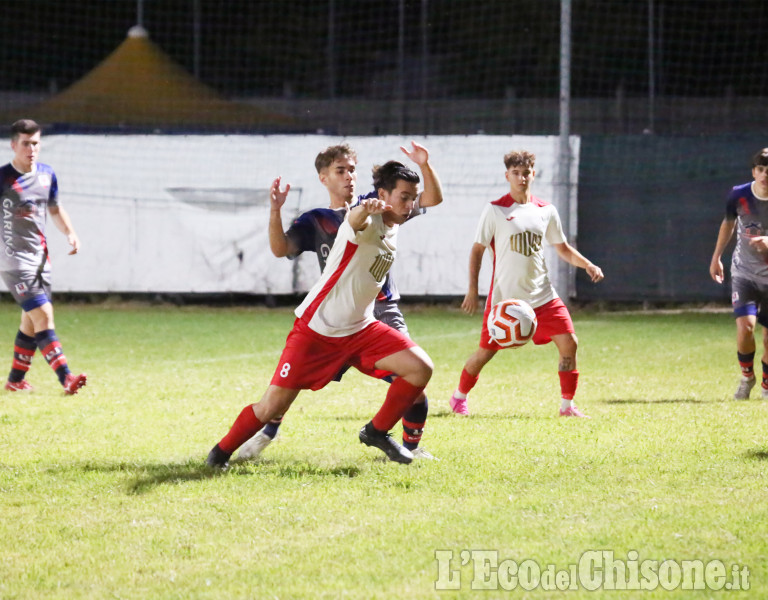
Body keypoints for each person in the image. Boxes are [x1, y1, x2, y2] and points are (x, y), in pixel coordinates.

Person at [207, 160, 434, 468]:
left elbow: (431, 200)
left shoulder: (395, 222)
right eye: (404, 197)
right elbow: (354, 221)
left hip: (361, 329)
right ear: (382, 194)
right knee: (271, 405)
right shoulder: (366, 221)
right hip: (318, 331)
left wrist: (424, 165)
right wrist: (364, 209)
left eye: (412, 198)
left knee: (420, 369)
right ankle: (220, 453)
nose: (409, 205)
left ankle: (376, 431)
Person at [449, 150, 603, 418]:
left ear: (533, 174)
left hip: (543, 296)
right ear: (507, 175)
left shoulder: (546, 210)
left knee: (570, 343)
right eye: (516, 173)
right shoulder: (496, 209)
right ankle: (459, 398)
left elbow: (563, 248)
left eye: (526, 173)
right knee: (485, 353)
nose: (521, 178)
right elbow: (477, 250)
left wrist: (587, 264)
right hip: (505, 302)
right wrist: (472, 290)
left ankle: (567, 406)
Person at [0, 119, 86, 394]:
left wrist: (70, 233)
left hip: (40, 261)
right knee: (44, 317)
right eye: (25, 144)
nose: (31, 149)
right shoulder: (3, 178)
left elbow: (55, 209)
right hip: (14, 262)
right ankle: (66, 378)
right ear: (13, 145)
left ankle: (15, 381)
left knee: (30, 321)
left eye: (35, 143)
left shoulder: (47, 174)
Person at [710, 148, 768, 399]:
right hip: (744, 272)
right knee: (745, 328)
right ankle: (747, 378)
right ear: (754, 171)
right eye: (761, 170)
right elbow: (728, 223)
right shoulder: (739, 194)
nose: (765, 175)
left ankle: (767, 385)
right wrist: (716, 257)